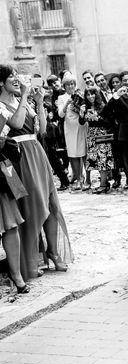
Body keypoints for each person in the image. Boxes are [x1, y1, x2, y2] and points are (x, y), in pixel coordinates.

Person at [0, 64, 73, 281]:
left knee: (50, 205)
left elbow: (41, 130)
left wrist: (39, 102)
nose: (17, 79)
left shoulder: (24, 102)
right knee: (33, 207)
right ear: (1, 83)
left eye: (17, 75)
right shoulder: (2, 105)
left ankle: (53, 251)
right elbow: (17, 123)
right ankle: (31, 259)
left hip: (37, 153)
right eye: (11, 76)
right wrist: (24, 96)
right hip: (21, 159)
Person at [102, 71, 128, 196]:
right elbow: (105, 112)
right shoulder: (118, 96)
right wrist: (115, 97)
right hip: (126, 132)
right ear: (121, 82)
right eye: (125, 80)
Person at [0, 129, 27, 292]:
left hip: (3, 177)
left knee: (11, 226)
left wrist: (4, 141)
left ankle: (16, 275)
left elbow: (15, 155)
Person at [57, 73, 88, 190]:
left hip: (81, 125)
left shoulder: (80, 94)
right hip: (70, 127)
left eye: (72, 84)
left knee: (84, 151)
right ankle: (78, 177)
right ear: (64, 86)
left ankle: (86, 178)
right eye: (68, 84)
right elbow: (60, 114)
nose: (70, 86)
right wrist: (67, 104)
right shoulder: (61, 98)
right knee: (73, 153)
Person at [81, 86, 113, 193]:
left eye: (92, 94)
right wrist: (82, 114)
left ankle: (103, 184)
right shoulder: (85, 107)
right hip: (91, 135)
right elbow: (81, 122)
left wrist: (98, 118)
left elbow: (109, 121)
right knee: (95, 160)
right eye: (88, 94)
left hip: (102, 134)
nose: (90, 96)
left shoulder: (102, 106)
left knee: (102, 159)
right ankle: (104, 183)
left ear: (97, 94)